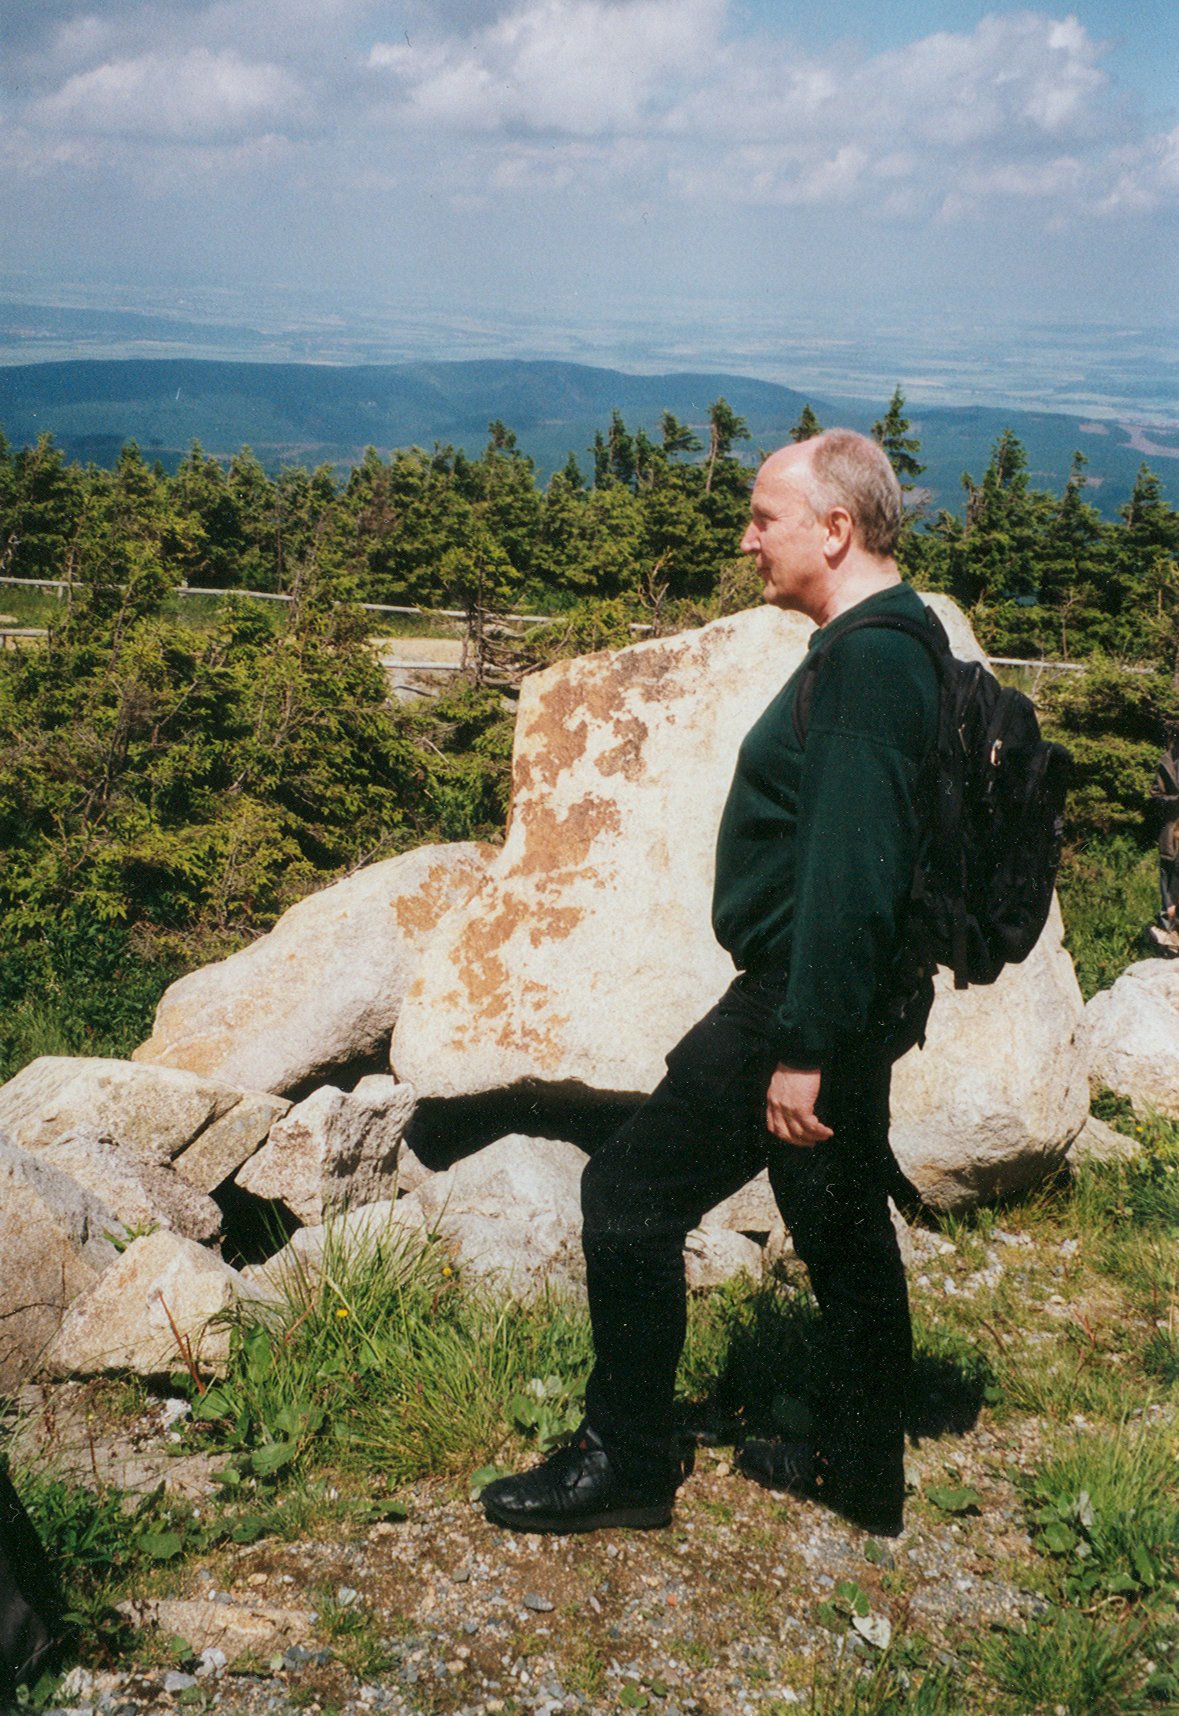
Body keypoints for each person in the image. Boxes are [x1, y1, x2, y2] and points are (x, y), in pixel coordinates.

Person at [481, 430, 941, 1539]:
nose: (747, 541)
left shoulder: (871, 660)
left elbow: (852, 871)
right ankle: (860, 1463)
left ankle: (626, 1462)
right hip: (842, 993)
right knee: (832, 1216)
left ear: (835, 529)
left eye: (764, 519)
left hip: (802, 995)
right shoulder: (891, 639)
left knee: (628, 1198)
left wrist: (805, 1044)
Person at [1148, 739, 1179, 955]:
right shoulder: (1167, 761)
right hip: (1173, 832)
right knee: (1169, 880)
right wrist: (1175, 800)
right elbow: (1155, 796)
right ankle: (1172, 936)